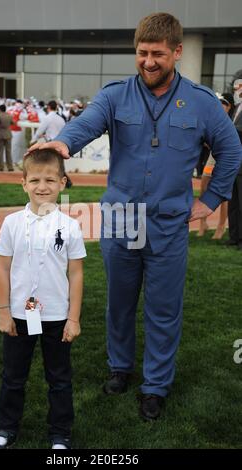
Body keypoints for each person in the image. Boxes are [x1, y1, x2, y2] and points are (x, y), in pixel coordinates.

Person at [27, 13, 242, 421]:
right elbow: (85, 125)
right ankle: (119, 367)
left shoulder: (201, 102)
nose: (147, 61)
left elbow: (231, 151)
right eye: (141, 53)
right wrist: (63, 143)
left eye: (157, 54)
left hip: (168, 221)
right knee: (119, 303)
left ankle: (155, 385)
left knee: (163, 307)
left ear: (177, 52)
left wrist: (212, 199)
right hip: (121, 217)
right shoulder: (114, 95)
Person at [0, 149, 86, 449]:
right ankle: (6, 429)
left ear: (63, 183)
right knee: (13, 376)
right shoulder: (12, 223)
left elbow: (77, 274)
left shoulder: (70, 226)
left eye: (50, 180)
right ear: (23, 183)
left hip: (56, 316)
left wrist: (73, 318)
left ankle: (60, 434)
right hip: (19, 314)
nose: (42, 186)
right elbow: (3, 269)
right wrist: (4, 311)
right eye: (35, 180)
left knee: (59, 378)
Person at [197, 92, 235, 239]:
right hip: (213, 155)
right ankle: (203, 223)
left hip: (228, 157)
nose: (221, 105)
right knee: (204, 186)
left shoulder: (233, 119)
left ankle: (221, 226)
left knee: (224, 191)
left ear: (229, 106)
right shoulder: (215, 118)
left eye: (224, 103)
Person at [227, 76, 242, 248]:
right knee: (233, 204)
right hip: (234, 165)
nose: (237, 89)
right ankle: (233, 236)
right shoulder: (236, 108)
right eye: (237, 86)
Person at [0, 104, 14, 171]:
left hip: (0, 134)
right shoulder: (9, 115)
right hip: (8, 134)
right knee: (8, 151)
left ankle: (1, 167)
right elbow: (13, 123)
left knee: (0, 151)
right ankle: (10, 167)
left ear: (0, 109)